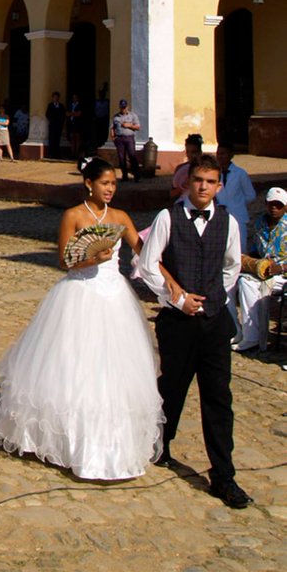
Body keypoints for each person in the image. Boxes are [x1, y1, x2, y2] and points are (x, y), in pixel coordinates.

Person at [0, 158, 163, 479]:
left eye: (113, 184)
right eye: (104, 183)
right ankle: (68, 441)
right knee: (76, 367)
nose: (110, 189)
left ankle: (113, 446)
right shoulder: (74, 215)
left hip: (115, 299)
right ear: (89, 183)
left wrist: (172, 282)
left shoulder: (120, 217)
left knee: (115, 370)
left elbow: (145, 253)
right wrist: (91, 257)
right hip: (81, 294)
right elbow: (64, 260)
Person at [139, 155, 251, 508]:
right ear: (188, 182)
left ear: (220, 186)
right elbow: (148, 265)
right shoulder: (167, 218)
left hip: (215, 322)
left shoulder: (228, 222)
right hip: (178, 321)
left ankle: (223, 475)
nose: (203, 187)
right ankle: (159, 444)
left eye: (210, 181)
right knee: (171, 388)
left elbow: (232, 266)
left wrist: (213, 298)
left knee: (219, 398)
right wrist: (178, 298)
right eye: (198, 180)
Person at [233, 186, 286, 354]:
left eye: (278, 205)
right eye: (271, 204)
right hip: (265, 272)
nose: (274, 208)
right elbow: (256, 249)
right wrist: (251, 262)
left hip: (284, 275)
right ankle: (252, 336)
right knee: (244, 282)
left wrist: (281, 267)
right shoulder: (260, 223)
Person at [214, 139, 256, 252]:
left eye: (223, 153)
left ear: (231, 155)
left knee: (240, 248)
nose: (220, 156)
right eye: (218, 153)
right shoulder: (215, 173)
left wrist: (237, 203)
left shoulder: (240, 173)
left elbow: (251, 195)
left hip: (238, 216)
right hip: (220, 216)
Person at [111, 99, 141, 180]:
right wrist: (113, 137)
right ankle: (125, 175)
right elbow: (112, 128)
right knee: (121, 158)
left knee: (132, 156)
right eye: (121, 108)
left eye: (124, 107)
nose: (123, 109)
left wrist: (129, 125)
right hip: (119, 139)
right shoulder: (116, 117)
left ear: (127, 107)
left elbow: (138, 127)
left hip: (129, 138)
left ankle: (136, 175)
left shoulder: (132, 116)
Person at [169, 133, 204, 200]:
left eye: (194, 152)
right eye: (188, 151)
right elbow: (172, 194)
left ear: (200, 152)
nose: (190, 155)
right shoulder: (180, 169)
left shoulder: (206, 169)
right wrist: (182, 186)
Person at [45, 92, 66, 159]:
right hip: (52, 125)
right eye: (54, 97)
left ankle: (57, 154)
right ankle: (51, 153)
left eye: (57, 97)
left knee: (57, 140)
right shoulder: (50, 105)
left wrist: (60, 122)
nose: (55, 98)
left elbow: (63, 115)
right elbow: (47, 114)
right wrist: (51, 120)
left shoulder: (61, 106)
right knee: (51, 139)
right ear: (53, 98)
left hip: (59, 125)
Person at [67, 94, 83, 162]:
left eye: (75, 98)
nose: (74, 99)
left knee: (77, 138)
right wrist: (74, 114)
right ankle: (72, 153)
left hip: (78, 124)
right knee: (72, 138)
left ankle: (77, 153)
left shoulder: (80, 105)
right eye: (73, 98)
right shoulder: (70, 105)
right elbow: (67, 114)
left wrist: (71, 114)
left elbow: (79, 114)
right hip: (71, 123)